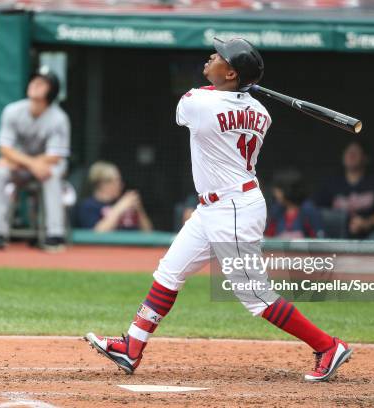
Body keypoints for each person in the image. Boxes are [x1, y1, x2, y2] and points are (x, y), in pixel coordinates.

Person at [85, 38, 352, 382]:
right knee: (169, 272)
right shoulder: (262, 112)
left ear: (230, 72)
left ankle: (328, 346)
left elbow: (189, 109)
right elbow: (230, 101)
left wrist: (232, 88)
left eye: (219, 56)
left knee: (255, 295)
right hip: (217, 207)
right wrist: (237, 87)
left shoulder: (198, 102)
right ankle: (131, 347)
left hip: (233, 211)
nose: (210, 57)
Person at [0, 69, 70, 251]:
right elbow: (4, 148)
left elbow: (54, 156)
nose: (35, 84)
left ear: (52, 91)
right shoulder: (13, 110)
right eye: (34, 80)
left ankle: (54, 234)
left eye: (42, 83)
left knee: (52, 174)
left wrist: (24, 162)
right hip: (23, 166)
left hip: (46, 166)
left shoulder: (59, 118)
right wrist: (31, 164)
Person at [315, 139, 374, 239]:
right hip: (338, 235)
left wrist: (367, 223)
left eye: (355, 152)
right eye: (348, 152)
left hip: (369, 234)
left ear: (365, 158)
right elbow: (317, 210)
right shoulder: (332, 182)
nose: (351, 155)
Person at [76, 161, 152, 232]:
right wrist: (120, 207)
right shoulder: (88, 206)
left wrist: (139, 209)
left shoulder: (125, 203)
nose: (121, 185)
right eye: (117, 180)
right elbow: (96, 233)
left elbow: (148, 232)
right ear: (102, 183)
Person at [265, 168, 324, 239]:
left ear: (288, 189)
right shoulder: (277, 209)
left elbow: (319, 239)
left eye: (279, 190)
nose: (275, 193)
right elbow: (267, 237)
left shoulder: (308, 210)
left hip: (304, 250)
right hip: (278, 250)